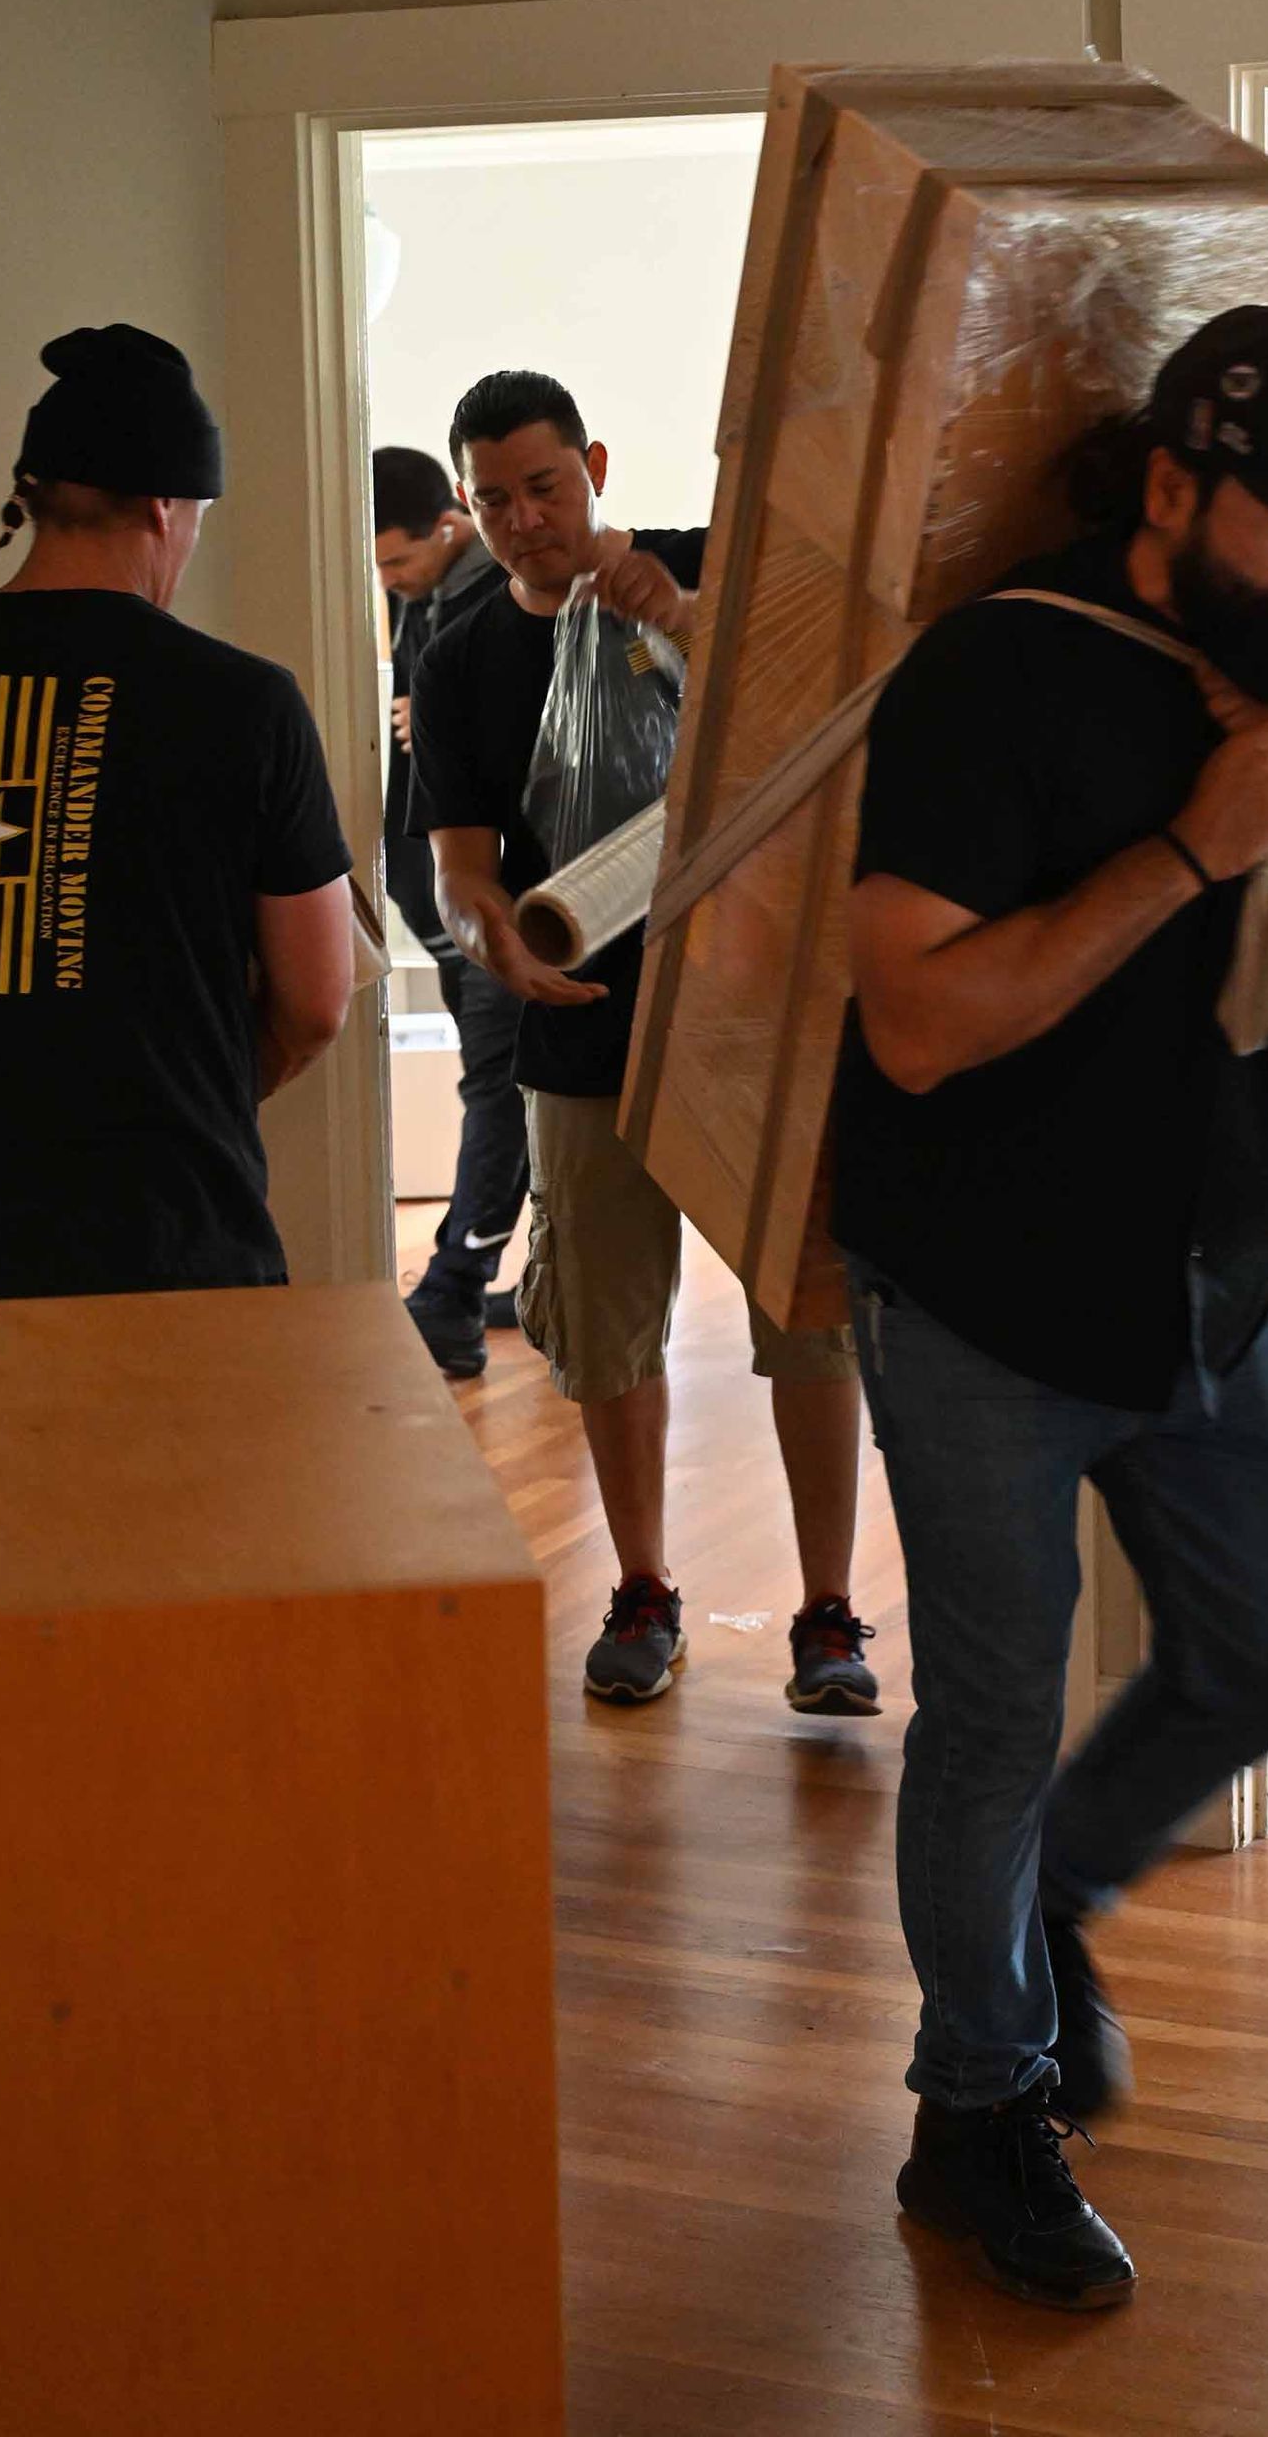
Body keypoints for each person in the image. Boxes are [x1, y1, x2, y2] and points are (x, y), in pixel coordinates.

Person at [834, 305, 1268, 2310]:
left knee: (1255, 1668)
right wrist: (1187, 847)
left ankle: (1044, 1906)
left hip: (1215, 1292)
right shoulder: (999, 674)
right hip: (977, 1295)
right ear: (1171, 487)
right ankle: (978, 2113)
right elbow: (920, 1024)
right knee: (986, 1718)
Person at [0, 326, 355, 2139]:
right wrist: (211, 1084)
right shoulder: (244, 707)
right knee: (181, 1613)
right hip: (173, 1227)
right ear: (159, 505)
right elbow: (323, 994)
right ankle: (165, 1968)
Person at [409, 369, 878, 1716]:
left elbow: (818, 715)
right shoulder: (461, 663)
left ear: (595, 465)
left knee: (808, 1320)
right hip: (584, 1034)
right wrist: (490, 928)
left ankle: (831, 1613)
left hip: (755, 1021)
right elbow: (461, 863)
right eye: (492, 499)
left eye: (544, 487)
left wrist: (675, 616)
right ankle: (644, 1587)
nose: (521, 521)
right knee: (607, 1328)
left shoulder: (700, 572)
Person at [373, 444, 529, 1376]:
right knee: (501, 1084)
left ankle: (453, 1298)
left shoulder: (494, 602)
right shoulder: (424, 598)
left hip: (500, 900)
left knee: (497, 1087)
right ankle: (507, 1280)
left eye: (396, 562)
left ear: (449, 528)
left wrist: (431, 709)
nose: (387, 581)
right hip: (444, 898)